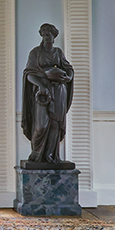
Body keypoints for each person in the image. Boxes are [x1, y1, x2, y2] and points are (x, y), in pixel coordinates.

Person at [21, 23, 74, 164]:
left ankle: (51, 155)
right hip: (42, 93)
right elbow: (29, 74)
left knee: (55, 124)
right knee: (41, 126)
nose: (46, 37)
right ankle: (37, 154)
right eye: (44, 35)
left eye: (48, 34)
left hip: (58, 91)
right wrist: (41, 85)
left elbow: (69, 69)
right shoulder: (35, 53)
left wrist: (68, 77)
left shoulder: (58, 53)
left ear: (54, 36)